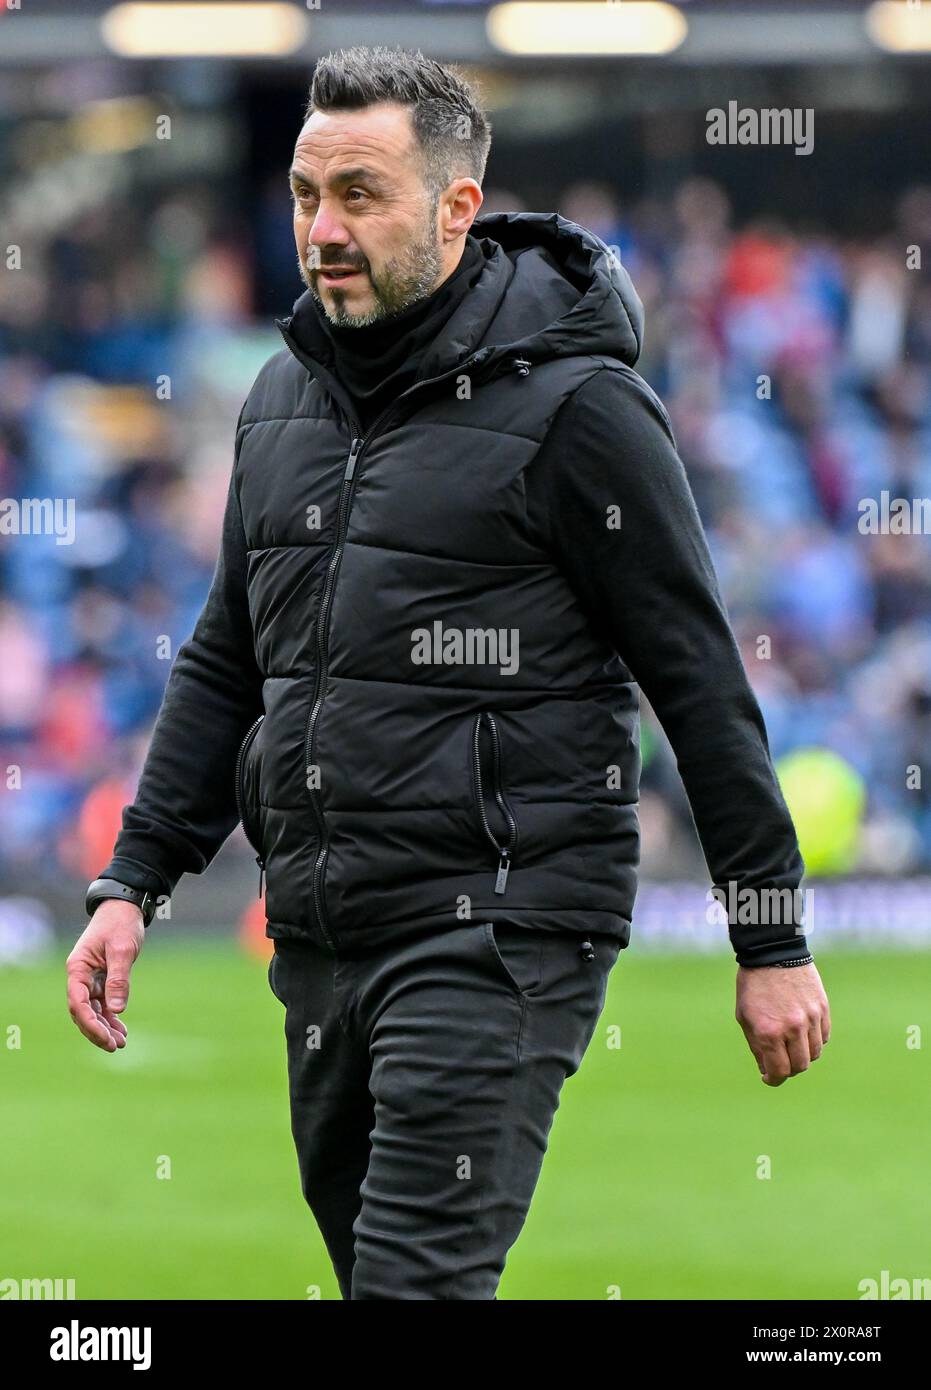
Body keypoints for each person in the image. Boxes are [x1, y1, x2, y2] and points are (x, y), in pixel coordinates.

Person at [67, 45, 831, 1301]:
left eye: (360, 195)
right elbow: (225, 659)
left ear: (456, 208)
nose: (323, 228)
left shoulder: (583, 409)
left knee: (412, 1287)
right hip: (320, 931)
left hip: (500, 923)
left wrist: (771, 934)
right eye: (309, 195)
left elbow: (694, 672)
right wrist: (130, 882)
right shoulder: (278, 403)